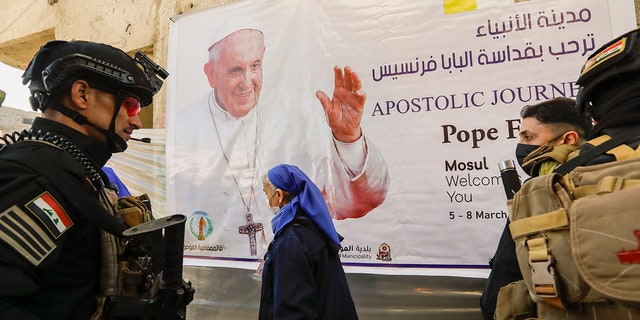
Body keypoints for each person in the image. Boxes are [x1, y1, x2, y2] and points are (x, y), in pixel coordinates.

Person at [170, 27, 389, 259]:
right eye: (235, 70)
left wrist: (348, 138)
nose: (247, 82)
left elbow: (361, 201)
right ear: (211, 73)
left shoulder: (296, 115)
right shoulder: (184, 128)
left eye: (255, 66)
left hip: (289, 263)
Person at [0, 40, 172, 319]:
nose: (137, 121)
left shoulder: (81, 173)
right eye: (130, 104)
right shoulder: (32, 177)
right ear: (82, 94)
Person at [480, 97, 592, 320]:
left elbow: (506, 270)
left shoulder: (538, 192)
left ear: (568, 139)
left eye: (528, 137)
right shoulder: (606, 177)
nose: (521, 145)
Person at [258, 164, 359, 320]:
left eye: (266, 193)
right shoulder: (311, 229)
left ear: (279, 195)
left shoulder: (291, 241)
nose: (266, 199)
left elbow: (294, 311)